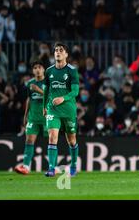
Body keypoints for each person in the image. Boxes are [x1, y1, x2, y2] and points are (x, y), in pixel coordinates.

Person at [43, 43, 80, 177]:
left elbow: (75, 91)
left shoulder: (72, 70)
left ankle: (74, 166)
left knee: (72, 140)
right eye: (56, 51)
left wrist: (63, 98)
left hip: (68, 110)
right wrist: (44, 106)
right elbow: (46, 90)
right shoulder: (49, 71)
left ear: (66, 54)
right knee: (52, 137)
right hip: (53, 110)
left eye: (61, 50)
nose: (58, 52)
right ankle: (52, 168)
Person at [14, 61, 46, 175]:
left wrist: (38, 90)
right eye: (35, 68)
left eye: (40, 67)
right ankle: (26, 167)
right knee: (29, 140)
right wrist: (25, 114)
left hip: (47, 117)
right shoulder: (30, 83)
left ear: (43, 70)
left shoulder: (49, 82)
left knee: (52, 142)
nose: (37, 69)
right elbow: (29, 99)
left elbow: (52, 97)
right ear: (33, 71)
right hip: (33, 117)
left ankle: (54, 166)